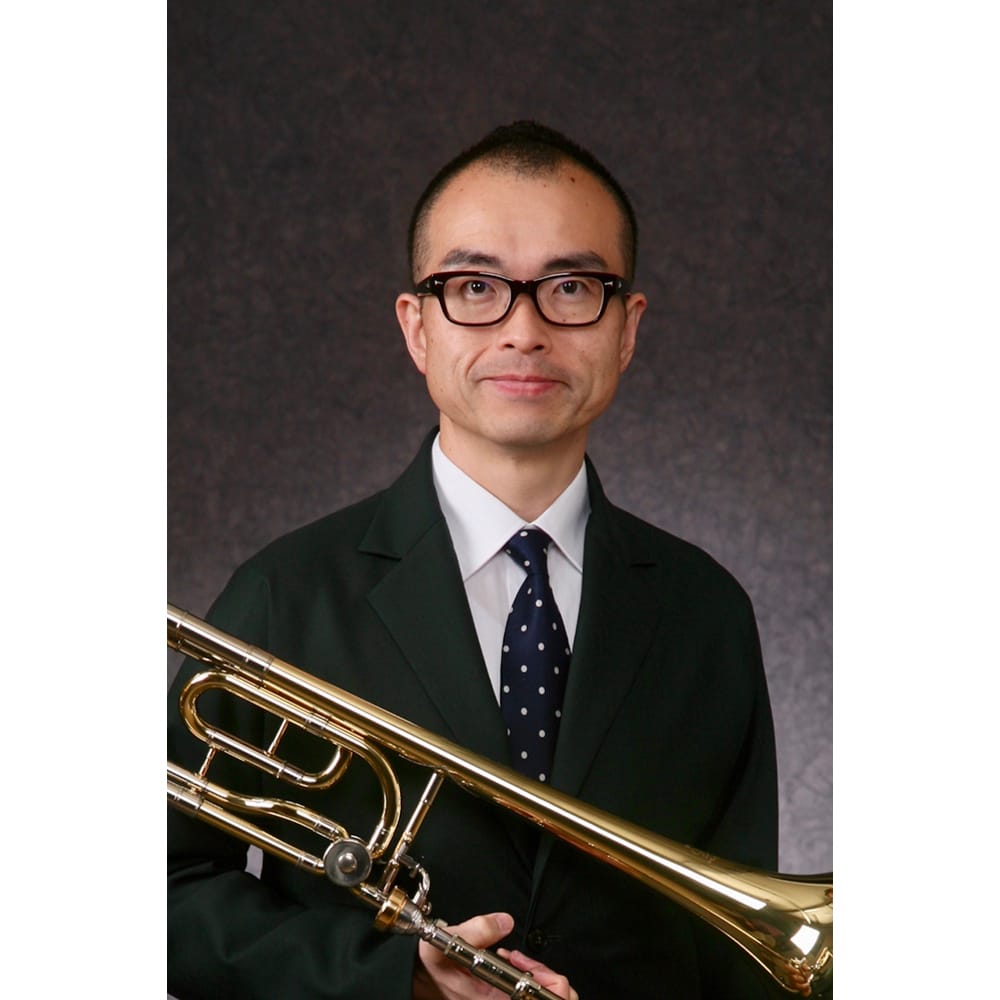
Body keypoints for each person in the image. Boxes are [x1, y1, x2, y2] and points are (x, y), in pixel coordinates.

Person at [167, 121, 780, 999]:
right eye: (475, 287)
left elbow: (745, 949)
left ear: (627, 329)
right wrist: (393, 978)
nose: (524, 330)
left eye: (572, 287)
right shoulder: (286, 593)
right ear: (417, 328)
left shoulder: (705, 609)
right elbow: (163, 897)